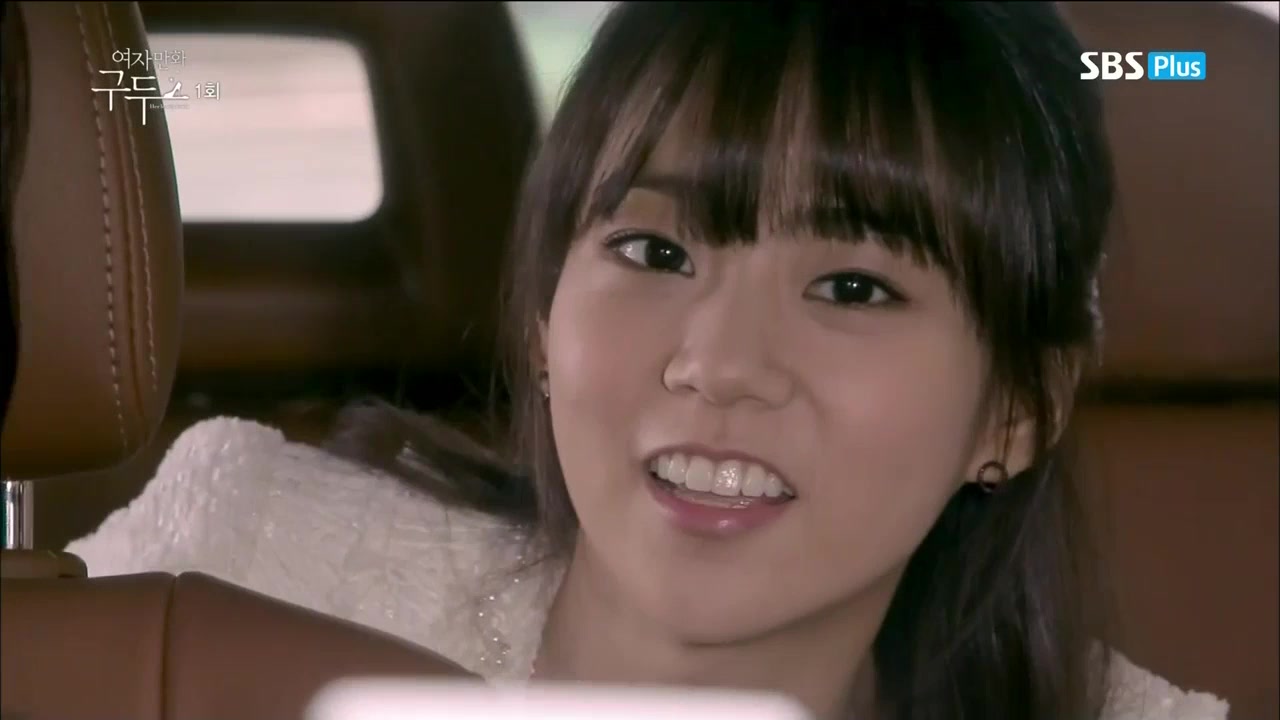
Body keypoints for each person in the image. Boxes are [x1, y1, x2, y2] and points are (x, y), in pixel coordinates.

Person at [68, 3, 1230, 719]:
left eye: (851, 288)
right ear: (542, 320)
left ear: (1015, 410)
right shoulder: (244, 564)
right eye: (653, 251)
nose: (716, 364)